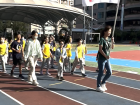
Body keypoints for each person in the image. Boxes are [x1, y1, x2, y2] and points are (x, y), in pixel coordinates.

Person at [96, 26, 115, 92]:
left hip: (107, 59)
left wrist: (112, 41)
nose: (110, 33)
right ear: (105, 32)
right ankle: (98, 86)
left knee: (109, 72)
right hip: (101, 59)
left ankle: (103, 82)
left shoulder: (109, 39)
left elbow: (112, 47)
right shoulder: (102, 39)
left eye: (110, 31)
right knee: (101, 73)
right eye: (109, 31)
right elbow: (100, 50)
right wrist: (105, 56)